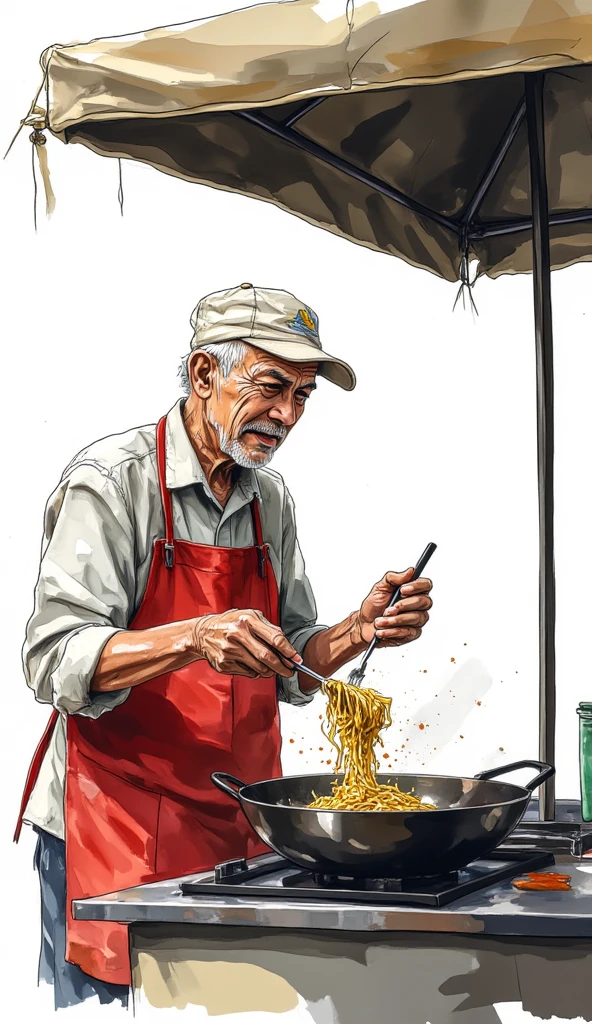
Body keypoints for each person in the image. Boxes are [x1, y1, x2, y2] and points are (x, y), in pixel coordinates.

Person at [15, 283, 433, 1008]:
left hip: (239, 828)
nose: (287, 414)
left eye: (303, 396)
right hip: (117, 825)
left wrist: (355, 632)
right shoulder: (113, 484)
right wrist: (194, 637)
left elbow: (294, 661)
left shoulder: (269, 498)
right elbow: (53, 658)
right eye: (272, 387)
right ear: (206, 375)